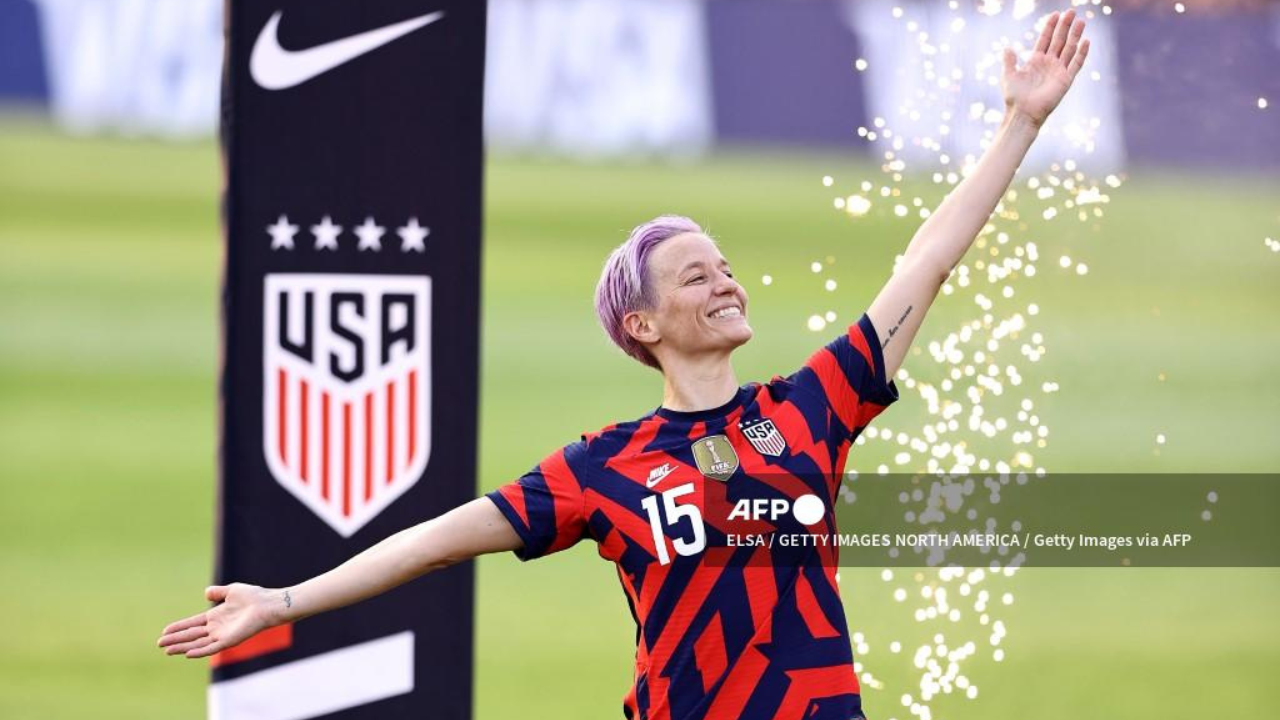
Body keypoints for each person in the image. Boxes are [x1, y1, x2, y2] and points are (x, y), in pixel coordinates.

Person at [159, 10, 1090, 719]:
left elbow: (925, 261)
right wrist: (282, 599)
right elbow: (434, 540)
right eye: (697, 276)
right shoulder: (603, 466)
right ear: (642, 325)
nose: (726, 284)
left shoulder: (815, 405)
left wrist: (1018, 123)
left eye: (725, 268)